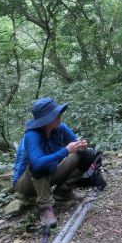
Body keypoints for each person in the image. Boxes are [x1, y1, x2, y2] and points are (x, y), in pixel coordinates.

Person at [12, 97, 95, 227]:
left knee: (87, 153)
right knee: (40, 164)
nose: (59, 116)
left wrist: (81, 146)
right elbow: (38, 163)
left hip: (51, 172)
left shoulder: (60, 128)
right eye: (55, 114)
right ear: (45, 119)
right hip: (26, 182)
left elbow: (75, 145)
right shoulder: (32, 135)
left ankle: (63, 191)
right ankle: (45, 207)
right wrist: (66, 150)